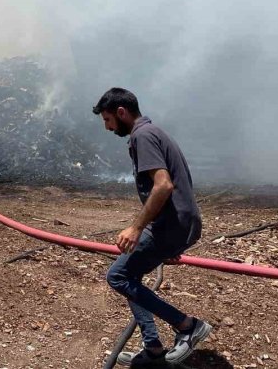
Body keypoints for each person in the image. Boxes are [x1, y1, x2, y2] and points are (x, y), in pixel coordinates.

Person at [92, 87, 212, 366]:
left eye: (108, 120)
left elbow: (164, 185)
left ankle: (187, 325)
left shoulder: (142, 136)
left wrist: (135, 228)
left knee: (118, 276)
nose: (108, 128)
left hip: (173, 224)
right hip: (178, 224)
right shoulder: (154, 132)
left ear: (121, 112)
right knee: (129, 275)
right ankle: (153, 348)